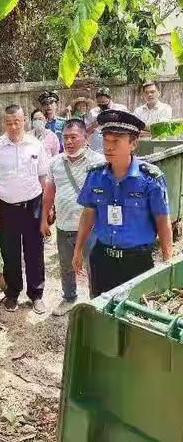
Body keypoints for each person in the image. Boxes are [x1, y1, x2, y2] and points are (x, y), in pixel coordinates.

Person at [73, 110, 173, 298]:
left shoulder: (150, 179)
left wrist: (168, 263)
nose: (108, 147)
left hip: (137, 262)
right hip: (102, 259)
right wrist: (78, 250)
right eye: (106, 141)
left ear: (133, 143)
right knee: (101, 311)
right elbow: (87, 215)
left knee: (135, 315)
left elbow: (163, 221)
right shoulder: (95, 176)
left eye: (116, 141)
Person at [0, 104, 49, 313]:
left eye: (17, 122)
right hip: (7, 209)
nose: (13, 127)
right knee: (10, 253)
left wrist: (48, 210)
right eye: (9, 123)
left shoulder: (35, 145)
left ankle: (36, 294)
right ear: (4, 123)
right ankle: (12, 293)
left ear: (24, 122)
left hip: (33, 207)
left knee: (34, 251)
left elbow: (43, 179)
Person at [41, 119, 104, 315]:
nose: (68, 142)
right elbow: (49, 193)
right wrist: (44, 219)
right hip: (65, 224)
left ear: (85, 138)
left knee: (95, 265)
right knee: (66, 264)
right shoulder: (55, 163)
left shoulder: (99, 162)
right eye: (65, 137)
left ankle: (97, 302)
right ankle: (69, 297)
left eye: (73, 137)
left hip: (93, 227)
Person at [86, 87, 128, 153]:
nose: (101, 104)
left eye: (103, 102)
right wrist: (94, 125)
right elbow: (86, 131)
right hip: (97, 145)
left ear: (110, 98)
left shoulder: (121, 109)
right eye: (99, 102)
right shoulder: (93, 112)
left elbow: (128, 126)